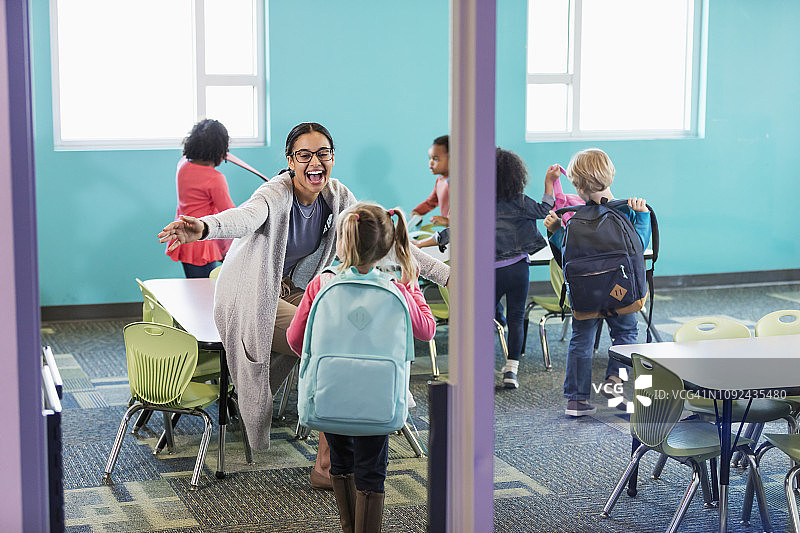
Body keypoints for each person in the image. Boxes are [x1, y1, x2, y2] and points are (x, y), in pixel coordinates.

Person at [157, 122, 449, 489]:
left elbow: (387, 238)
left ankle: (355, 435)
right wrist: (201, 228)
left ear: (332, 157)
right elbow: (243, 218)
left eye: (323, 154)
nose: (315, 163)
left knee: (339, 330)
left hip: (295, 287)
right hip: (251, 291)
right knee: (327, 337)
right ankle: (329, 464)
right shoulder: (274, 194)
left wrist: (447, 276)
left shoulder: (339, 197)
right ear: (290, 160)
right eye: (304, 155)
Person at [286, 202, 435, 533]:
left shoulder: (321, 284)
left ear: (342, 241)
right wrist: (413, 287)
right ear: (386, 243)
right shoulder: (397, 285)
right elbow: (426, 330)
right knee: (371, 471)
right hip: (378, 397)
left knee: (341, 463)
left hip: (331, 393)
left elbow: (296, 341)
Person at [412, 149, 557, 389]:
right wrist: (548, 182)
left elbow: (449, 234)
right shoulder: (520, 201)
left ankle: (476, 369)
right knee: (517, 317)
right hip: (519, 270)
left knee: (481, 320)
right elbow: (544, 210)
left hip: (490, 273)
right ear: (514, 176)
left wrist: (420, 244)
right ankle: (512, 370)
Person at [543, 148, 651, 417]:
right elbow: (638, 249)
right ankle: (615, 387)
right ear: (610, 174)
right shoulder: (626, 212)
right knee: (626, 336)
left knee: (581, 340)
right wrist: (643, 217)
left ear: (577, 185)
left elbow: (565, 256)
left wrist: (555, 231)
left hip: (586, 294)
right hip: (622, 292)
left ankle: (576, 401)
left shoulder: (575, 219)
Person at [166, 119, 236, 278]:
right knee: (205, 289)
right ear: (220, 150)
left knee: (195, 286)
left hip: (184, 237)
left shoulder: (182, 165)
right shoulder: (215, 179)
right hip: (201, 240)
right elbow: (230, 214)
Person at [409, 135, 450, 228]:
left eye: (435, 159)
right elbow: (430, 202)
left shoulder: (458, 182)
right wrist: (417, 212)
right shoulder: (440, 180)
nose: (430, 163)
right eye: (430, 158)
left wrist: (448, 221)